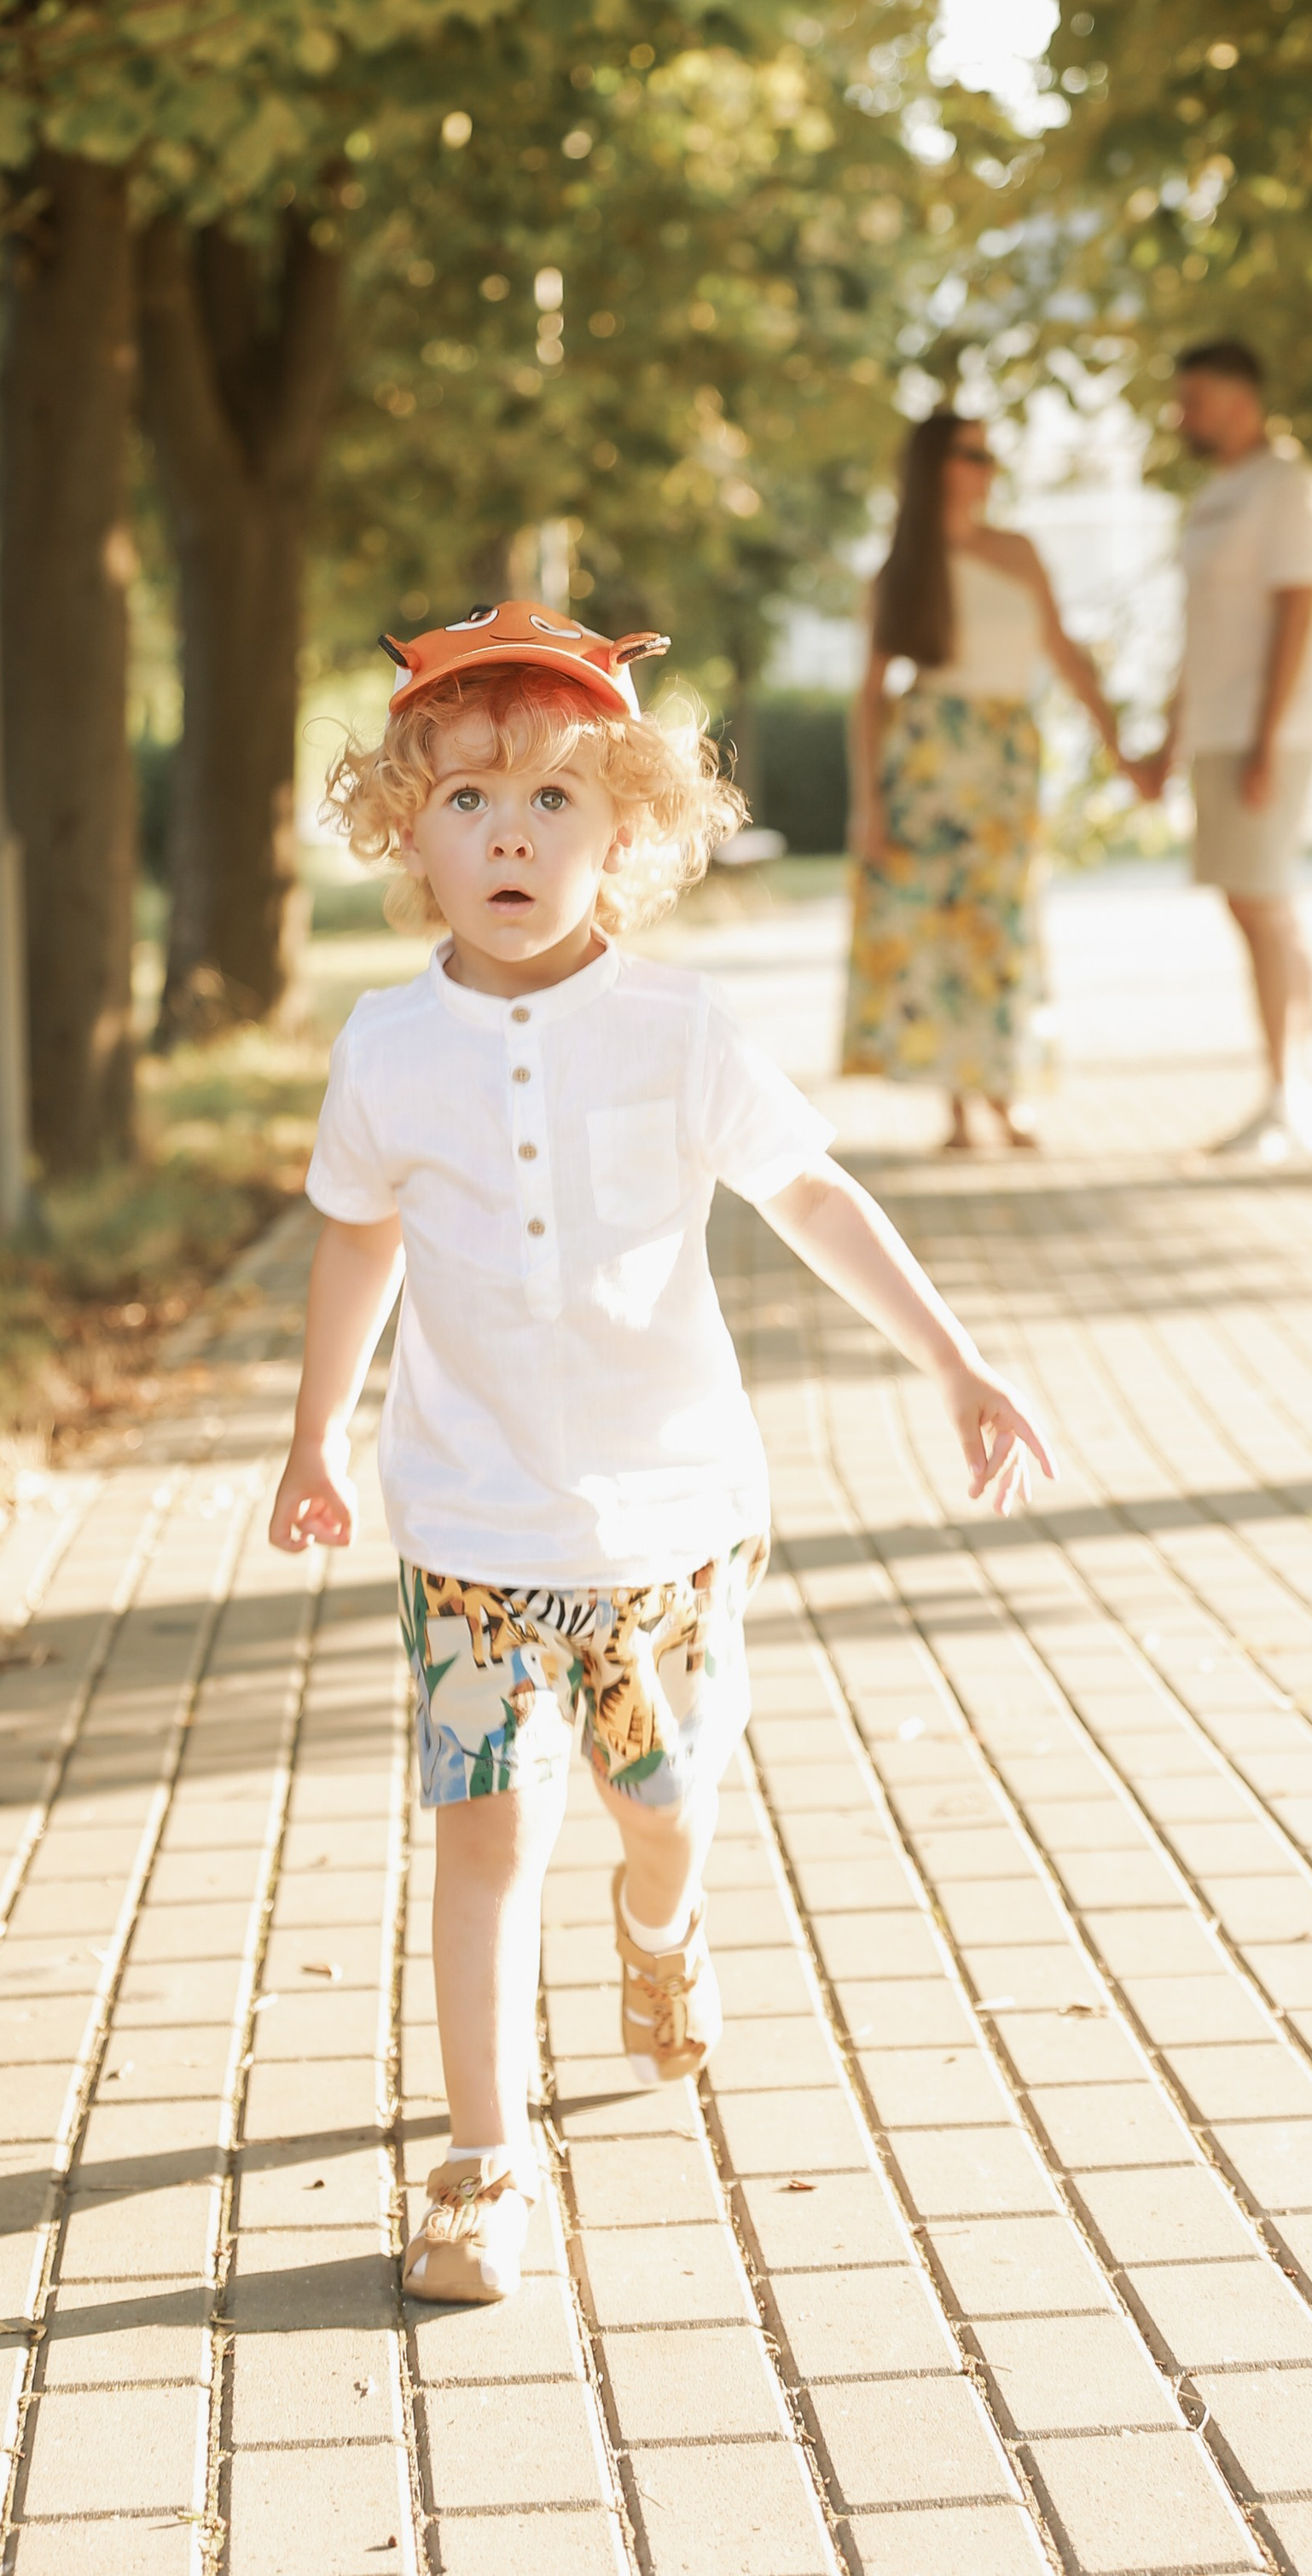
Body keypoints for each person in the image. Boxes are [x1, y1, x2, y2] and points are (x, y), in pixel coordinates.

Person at [269, 596, 1052, 2307]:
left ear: (626, 830)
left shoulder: (679, 1031)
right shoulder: (386, 1050)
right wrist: (315, 1431)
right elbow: (354, 1241)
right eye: (470, 800)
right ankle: (481, 2165)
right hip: (470, 1527)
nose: (510, 835)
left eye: (556, 800)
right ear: (410, 828)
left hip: (668, 1523)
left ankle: (661, 1927)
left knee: (662, 1809)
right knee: (481, 1836)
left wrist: (958, 1361)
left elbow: (811, 1195)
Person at [844, 408, 1127, 1151]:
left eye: (987, 454)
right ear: (935, 466)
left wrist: (1125, 751)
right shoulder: (903, 571)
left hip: (1003, 761)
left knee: (1000, 924)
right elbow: (869, 694)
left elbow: (1064, 655)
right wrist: (866, 802)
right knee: (936, 926)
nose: (985, 467)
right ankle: (958, 1108)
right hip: (931, 761)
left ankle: (1003, 1090)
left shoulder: (1019, 552)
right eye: (970, 453)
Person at [1129, 342, 1312, 1160]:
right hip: (1219, 731)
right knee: (1258, 905)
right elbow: (1200, 634)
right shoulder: (1215, 496)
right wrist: (1170, 739)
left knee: (1264, 903)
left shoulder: (1292, 490)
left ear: (1241, 399)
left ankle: (1290, 1095)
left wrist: (1264, 739)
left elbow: (1297, 615)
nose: (1182, 416)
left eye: (1195, 400)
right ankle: (1309, 1089)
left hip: (1269, 733)